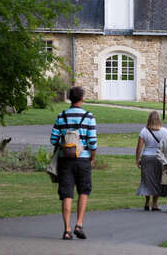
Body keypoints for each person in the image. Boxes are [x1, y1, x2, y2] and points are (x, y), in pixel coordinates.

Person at [50, 87, 97, 240]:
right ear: (81, 98)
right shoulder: (89, 117)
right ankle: (79, 224)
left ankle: (67, 230)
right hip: (83, 159)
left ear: (70, 98)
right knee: (84, 191)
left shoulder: (61, 116)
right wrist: (92, 158)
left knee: (66, 193)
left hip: (65, 160)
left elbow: (53, 140)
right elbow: (92, 142)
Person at [135, 111, 167, 211]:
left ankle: (146, 201)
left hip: (147, 157)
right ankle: (154, 203)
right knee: (157, 180)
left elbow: (139, 147)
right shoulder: (164, 131)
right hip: (159, 157)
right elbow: (166, 146)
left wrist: (137, 159)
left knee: (147, 180)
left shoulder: (144, 131)